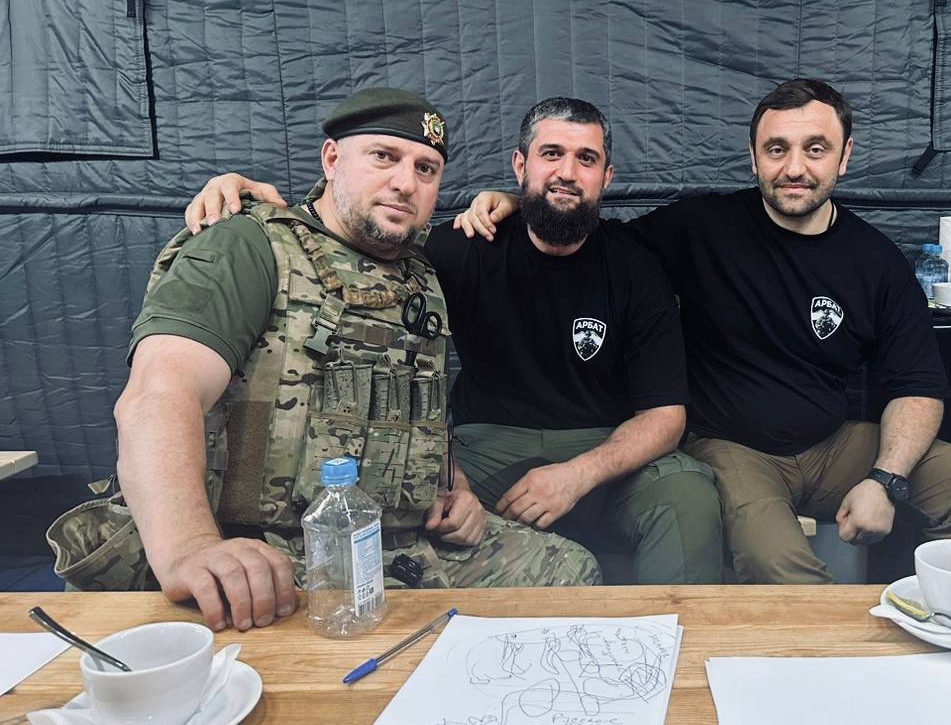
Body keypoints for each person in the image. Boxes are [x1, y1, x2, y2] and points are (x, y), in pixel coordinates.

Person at [47, 88, 600, 632]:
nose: (405, 182)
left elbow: (420, 410)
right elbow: (159, 395)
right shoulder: (248, 247)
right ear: (332, 159)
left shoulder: (423, 272)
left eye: (426, 169)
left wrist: (454, 487)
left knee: (568, 575)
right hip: (260, 547)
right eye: (383, 157)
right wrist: (191, 545)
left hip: (390, 542)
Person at [452, 79, 951, 584]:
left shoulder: (877, 260)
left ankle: (950, 620)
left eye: (816, 149)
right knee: (777, 563)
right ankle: (826, 658)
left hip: (831, 443)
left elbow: (917, 385)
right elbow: (587, 237)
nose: (795, 167)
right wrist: (521, 203)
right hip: (731, 446)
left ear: (844, 157)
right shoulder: (701, 227)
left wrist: (886, 480)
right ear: (753, 157)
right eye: (777, 149)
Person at [182, 97, 724, 586]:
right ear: (520, 166)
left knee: (688, 492)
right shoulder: (460, 247)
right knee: (416, 503)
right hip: (485, 444)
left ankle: (670, 644)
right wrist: (243, 196)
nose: (566, 172)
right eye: (551, 154)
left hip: (602, 442)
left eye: (585, 159)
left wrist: (576, 475)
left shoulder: (637, 264)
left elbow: (665, 415)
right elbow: (351, 234)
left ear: (607, 177)